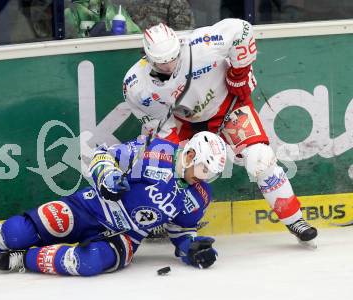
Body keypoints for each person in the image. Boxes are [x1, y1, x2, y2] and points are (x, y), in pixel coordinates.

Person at [0, 131, 227, 275]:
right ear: (190, 155)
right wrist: (107, 176)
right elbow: (102, 155)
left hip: (124, 236)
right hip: (90, 207)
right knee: (16, 232)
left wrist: (192, 248)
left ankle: (23, 260)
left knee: (90, 263)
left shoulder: (199, 196)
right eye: (204, 170)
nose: (204, 179)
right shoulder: (154, 150)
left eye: (211, 175)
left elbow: (180, 231)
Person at [122, 21, 318, 243]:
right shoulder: (136, 85)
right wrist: (171, 155)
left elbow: (242, 29)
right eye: (162, 63)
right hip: (184, 122)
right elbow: (158, 125)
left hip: (228, 106)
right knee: (169, 169)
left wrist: (239, 72)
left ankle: (294, 220)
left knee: (260, 159)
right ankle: (164, 221)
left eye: (174, 58)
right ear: (148, 58)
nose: (170, 66)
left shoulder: (202, 44)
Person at [123, 0, 195, 31]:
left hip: (162, 54)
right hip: (130, 48)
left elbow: (183, 35)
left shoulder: (176, 2)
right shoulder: (131, 2)